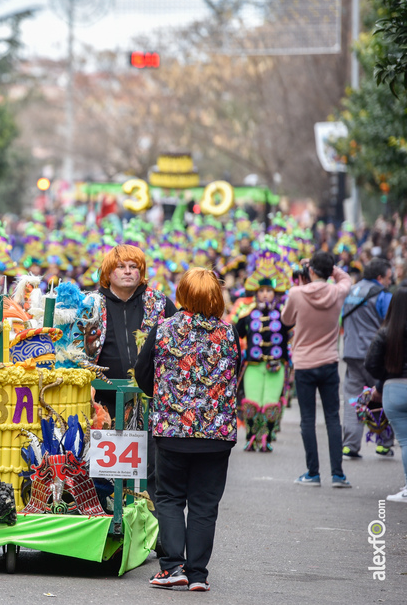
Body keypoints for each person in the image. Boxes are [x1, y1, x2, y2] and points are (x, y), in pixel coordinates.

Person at [135, 268, 240, 593]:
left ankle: (172, 567)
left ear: (183, 294)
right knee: (204, 505)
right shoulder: (230, 333)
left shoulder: (164, 329)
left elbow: (142, 373)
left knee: (168, 498)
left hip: (172, 431)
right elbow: (236, 375)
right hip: (216, 435)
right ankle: (198, 574)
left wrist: (165, 396)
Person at [92, 244, 176, 510]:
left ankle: (153, 526)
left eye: (134, 267)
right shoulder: (92, 304)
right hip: (102, 401)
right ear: (108, 271)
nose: (128, 272)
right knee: (101, 467)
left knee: (151, 467)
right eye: (121, 266)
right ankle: (105, 523)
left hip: (150, 401)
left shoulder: (160, 303)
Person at [281, 251, 353, 488]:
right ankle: (338, 474)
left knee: (307, 420)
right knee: (332, 418)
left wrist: (304, 281)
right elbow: (347, 280)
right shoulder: (336, 291)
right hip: (330, 362)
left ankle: (313, 473)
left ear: (310, 270)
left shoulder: (296, 293)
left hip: (304, 364)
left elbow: (286, 320)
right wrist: (329, 268)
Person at [341, 258, 394, 459]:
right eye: (388, 278)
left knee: (353, 400)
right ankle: (383, 443)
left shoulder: (351, 291)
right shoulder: (383, 295)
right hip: (375, 357)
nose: (390, 282)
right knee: (381, 396)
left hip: (351, 352)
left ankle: (350, 445)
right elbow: (391, 323)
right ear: (380, 277)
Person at [234, 274, 293, 452]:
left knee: (271, 404)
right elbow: (236, 334)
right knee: (251, 404)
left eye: (269, 291)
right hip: (253, 366)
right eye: (262, 291)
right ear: (256, 293)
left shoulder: (284, 314)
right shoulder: (248, 314)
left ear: (275, 293)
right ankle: (251, 436)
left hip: (276, 366)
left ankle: (265, 437)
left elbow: (295, 331)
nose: (265, 294)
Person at [366, 285, 407, 502]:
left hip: (394, 390)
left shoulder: (386, 332)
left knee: (405, 441)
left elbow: (370, 363)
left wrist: (384, 380)